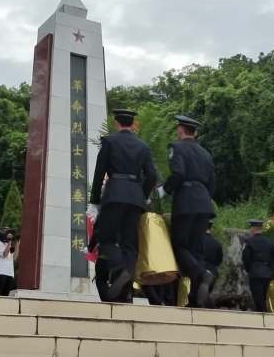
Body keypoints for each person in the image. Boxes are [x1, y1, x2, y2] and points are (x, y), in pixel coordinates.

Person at [87, 109, 158, 303]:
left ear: (117, 123)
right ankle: (125, 285)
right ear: (131, 123)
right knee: (129, 244)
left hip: (114, 195)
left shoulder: (109, 142)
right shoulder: (143, 146)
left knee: (107, 238)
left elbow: (99, 172)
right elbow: (152, 176)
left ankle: (121, 269)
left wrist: (94, 200)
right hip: (135, 198)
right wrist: (140, 195)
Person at [161, 115, 215, 308]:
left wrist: (164, 190)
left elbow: (178, 173)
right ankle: (195, 299)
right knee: (196, 250)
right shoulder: (206, 154)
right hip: (204, 204)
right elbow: (212, 183)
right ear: (196, 133)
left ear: (180, 130)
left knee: (179, 246)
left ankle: (202, 275)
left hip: (185, 202)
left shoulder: (176, 148)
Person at [242, 219, 274, 312]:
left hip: (255, 272)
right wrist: (269, 264)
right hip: (267, 272)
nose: (250, 230)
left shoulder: (249, 242)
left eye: (251, 228)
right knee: (263, 297)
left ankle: (262, 317)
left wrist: (250, 269)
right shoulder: (270, 241)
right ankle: (262, 315)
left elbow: (245, 258)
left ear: (254, 228)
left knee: (257, 298)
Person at [0, 229, 18, 296]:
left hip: (10, 273)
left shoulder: (9, 245)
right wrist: (10, 242)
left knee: (6, 295)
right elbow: (5, 254)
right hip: (1, 272)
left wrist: (17, 242)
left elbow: (14, 257)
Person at [203, 219, 223, 295]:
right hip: (212, 271)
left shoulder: (196, 241)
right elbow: (219, 260)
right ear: (211, 228)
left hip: (198, 270)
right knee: (207, 294)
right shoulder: (217, 244)